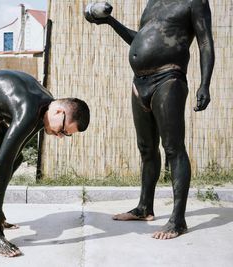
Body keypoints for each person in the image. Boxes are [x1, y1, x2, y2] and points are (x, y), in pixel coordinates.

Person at [85, 0, 214, 239]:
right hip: (139, 81)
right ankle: (145, 207)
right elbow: (140, 41)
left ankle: (178, 220)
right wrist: (110, 22)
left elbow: (205, 42)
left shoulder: (195, 1)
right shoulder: (152, 3)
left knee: (173, 148)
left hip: (169, 77)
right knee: (146, 148)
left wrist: (204, 84)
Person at [0, 70, 90, 256]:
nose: (59, 136)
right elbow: (1, 166)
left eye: (65, 135)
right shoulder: (29, 109)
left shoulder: (45, 109)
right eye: (62, 130)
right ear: (59, 112)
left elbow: (12, 154)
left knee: (16, 157)